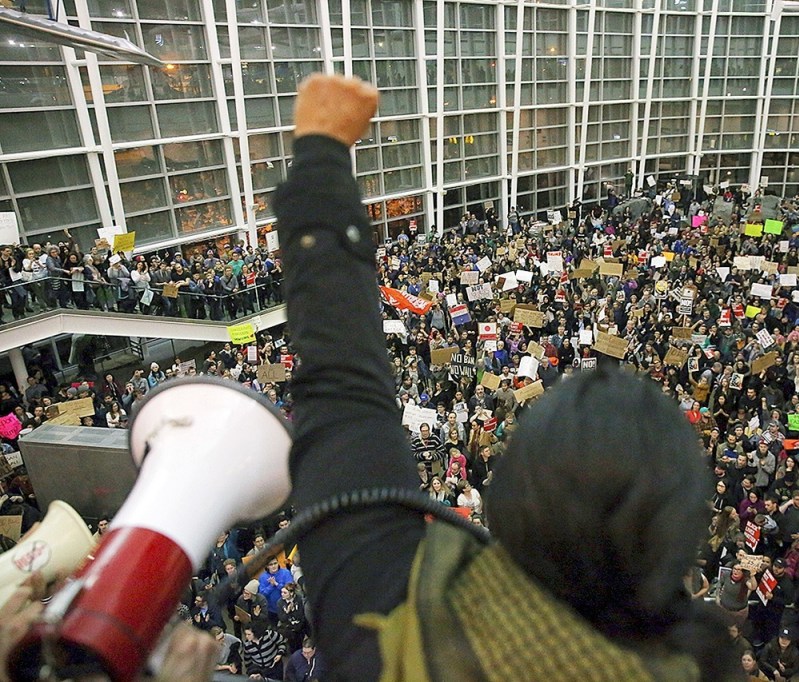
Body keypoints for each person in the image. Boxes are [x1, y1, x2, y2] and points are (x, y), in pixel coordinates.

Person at [278, 74, 738, 681]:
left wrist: (322, 159)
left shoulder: (385, 615)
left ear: (509, 502)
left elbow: (342, 391)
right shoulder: (706, 662)